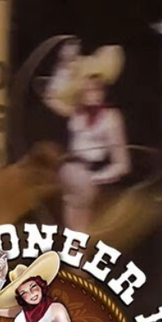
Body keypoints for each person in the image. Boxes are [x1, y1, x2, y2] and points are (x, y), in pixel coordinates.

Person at [41, 44, 131, 232]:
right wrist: (64, 65)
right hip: (67, 174)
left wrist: (95, 178)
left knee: (79, 233)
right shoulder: (77, 113)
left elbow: (122, 164)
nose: (93, 93)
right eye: (88, 88)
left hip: (88, 176)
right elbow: (51, 98)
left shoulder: (111, 118)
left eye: (98, 89)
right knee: (68, 230)